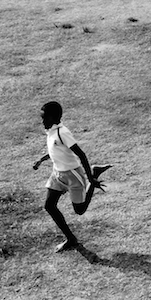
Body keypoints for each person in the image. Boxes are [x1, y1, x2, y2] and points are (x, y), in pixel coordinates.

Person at [32, 101, 112, 252]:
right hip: (57, 174)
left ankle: (94, 173)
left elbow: (81, 154)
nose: (42, 121)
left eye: (45, 118)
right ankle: (71, 239)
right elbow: (55, 150)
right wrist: (41, 160)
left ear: (54, 117)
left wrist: (90, 177)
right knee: (49, 206)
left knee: (80, 211)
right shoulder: (51, 131)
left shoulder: (63, 133)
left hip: (73, 175)